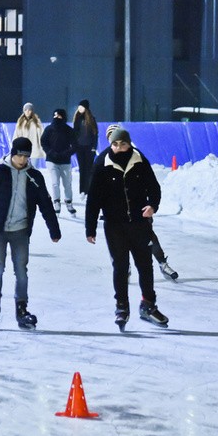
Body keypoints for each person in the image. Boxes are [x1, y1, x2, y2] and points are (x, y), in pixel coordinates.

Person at [0, 137, 61, 329]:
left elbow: (45, 203)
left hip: (20, 230)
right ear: (13, 153)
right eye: (19, 155)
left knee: (21, 271)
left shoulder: (34, 176)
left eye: (26, 156)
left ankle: (21, 310)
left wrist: (54, 229)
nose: (22, 159)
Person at [85, 127, 168, 328]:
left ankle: (148, 305)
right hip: (115, 226)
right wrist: (90, 228)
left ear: (129, 143)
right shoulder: (102, 163)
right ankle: (121, 306)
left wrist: (153, 205)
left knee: (145, 266)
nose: (119, 148)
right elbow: (93, 198)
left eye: (123, 144)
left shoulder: (139, 160)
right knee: (120, 267)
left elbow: (154, 187)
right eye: (115, 144)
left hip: (139, 224)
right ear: (110, 144)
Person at [104, 123, 179, 280]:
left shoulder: (137, 157)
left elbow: (152, 185)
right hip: (117, 213)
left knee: (148, 237)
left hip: (138, 208)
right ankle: (124, 267)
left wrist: (152, 204)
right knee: (118, 242)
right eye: (112, 138)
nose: (116, 142)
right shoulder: (103, 160)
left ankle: (162, 263)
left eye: (119, 137)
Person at [40, 108, 77, 215]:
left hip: (65, 161)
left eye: (59, 116)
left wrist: (66, 153)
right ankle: (56, 202)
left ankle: (69, 202)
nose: (56, 118)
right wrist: (51, 152)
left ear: (63, 117)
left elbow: (75, 145)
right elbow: (43, 142)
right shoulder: (49, 129)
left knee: (67, 183)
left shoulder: (69, 130)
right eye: (55, 116)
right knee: (55, 182)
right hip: (52, 160)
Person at [72, 99, 98, 198]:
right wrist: (74, 146)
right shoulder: (77, 119)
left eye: (82, 107)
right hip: (79, 148)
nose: (79, 108)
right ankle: (82, 190)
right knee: (82, 169)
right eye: (79, 107)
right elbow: (74, 134)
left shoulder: (91, 119)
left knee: (89, 170)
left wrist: (94, 148)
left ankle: (88, 190)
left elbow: (95, 134)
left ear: (86, 108)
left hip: (89, 148)